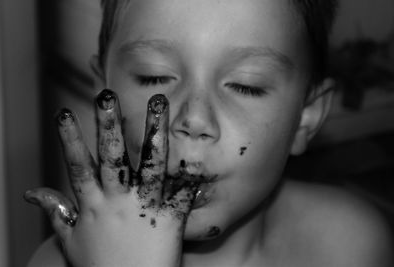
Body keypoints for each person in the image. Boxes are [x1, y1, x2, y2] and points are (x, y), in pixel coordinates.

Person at [24, 0, 393, 266]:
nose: (194, 119)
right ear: (103, 93)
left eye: (245, 85)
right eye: (154, 77)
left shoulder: (349, 246)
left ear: (305, 118)